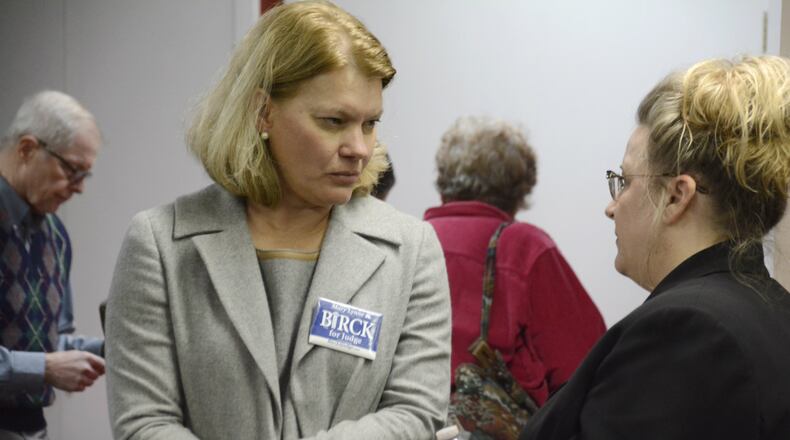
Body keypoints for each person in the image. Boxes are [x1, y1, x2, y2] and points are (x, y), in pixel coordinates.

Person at [104, 2, 451, 439]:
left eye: (369, 123)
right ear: (263, 112)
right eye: (334, 121)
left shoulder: (411, 249)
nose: (358, 148)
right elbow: (144, 423)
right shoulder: (161, 246)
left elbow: (416, 412)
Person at [520, 55, 790, 440]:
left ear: (678, 195)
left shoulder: (688, 331)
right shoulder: (771, 309)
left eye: (624, 181)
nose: (611, 207)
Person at [424, 116, 606, 407]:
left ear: (443, 181)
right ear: (520, 188)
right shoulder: (524, 248)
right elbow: (587, 361)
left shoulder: (412, 240)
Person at [0, 90, 105, 439]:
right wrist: (44, 368)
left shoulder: (56, 235)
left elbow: (50, 343)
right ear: (27, 148)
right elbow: (45, 361)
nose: (79, 189)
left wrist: (118, 348)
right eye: (72, 170)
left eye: (84, 176)